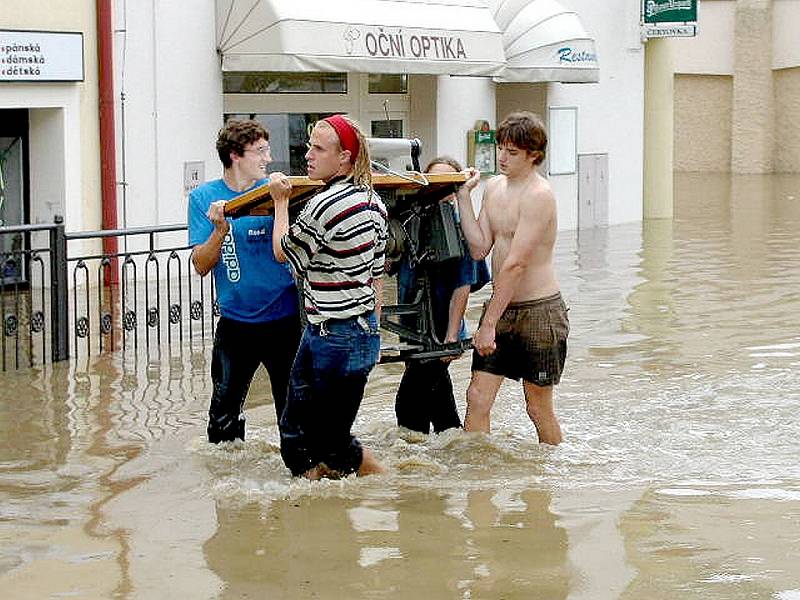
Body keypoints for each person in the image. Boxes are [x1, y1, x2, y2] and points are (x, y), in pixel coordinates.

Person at [268, 115, 388, 478]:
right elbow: (376, 277)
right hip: (347, 331)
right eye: (309, 146)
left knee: (322, 438)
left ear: (345, 158)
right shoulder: (374, 202)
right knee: (308, 435)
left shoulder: (325, 204)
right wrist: (375, 332)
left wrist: (279, 202)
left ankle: (386, 484)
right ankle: (318, 509)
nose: (308, 155)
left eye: (318, 148)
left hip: (336, 336)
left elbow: (282, 252)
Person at [456, 112, 569, 445]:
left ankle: (548, 483)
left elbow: (516, 263)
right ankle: (478, 482)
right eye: (501, 149)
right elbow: (479, 248)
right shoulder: (493, 188)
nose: (502, 158)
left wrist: (488, 322)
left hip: (539, 310)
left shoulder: (539, 195)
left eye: (512, 152)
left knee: (537, 407)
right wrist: (464, 196)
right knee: (477, 396)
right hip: (501, 307)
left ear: (534, 154)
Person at [188, 119, 301, 444]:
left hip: (285, 318)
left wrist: (284, 200)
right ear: (236, 154)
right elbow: (200, 264)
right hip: (236, 323)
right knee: (222, 416)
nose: (268, 158)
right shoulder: (203, 199)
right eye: (261, 151)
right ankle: (227, 486)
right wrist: (220, 230)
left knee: (292, 409)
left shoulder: (277, 192)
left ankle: (299, 475)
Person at [394, 157, 490, 434]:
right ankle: (456, 452)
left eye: (448, 184)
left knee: (409, 405)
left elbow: (464, 284)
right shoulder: (413, 219)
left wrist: (450, 338)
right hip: (412, 329)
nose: (441, 192)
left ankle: (414, 463)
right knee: (439, 401)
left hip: (440, 331)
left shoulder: (458, 226)